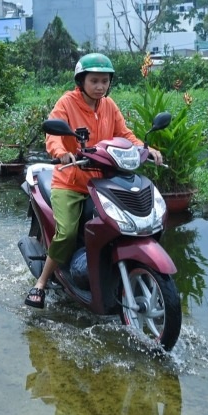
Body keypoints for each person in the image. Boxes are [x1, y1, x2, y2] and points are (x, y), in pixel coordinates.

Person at [24, 53, 162, 309]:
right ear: (81, 81)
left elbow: (124, 133)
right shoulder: (67, 103)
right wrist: (61, 153)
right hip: (72, 182)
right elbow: (52, 134)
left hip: (104, 181)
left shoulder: (109, 105)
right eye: (94, 81)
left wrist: (145, 147)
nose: (100, 86)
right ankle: (41, 283)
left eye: (104, 81)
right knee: (66, 234)